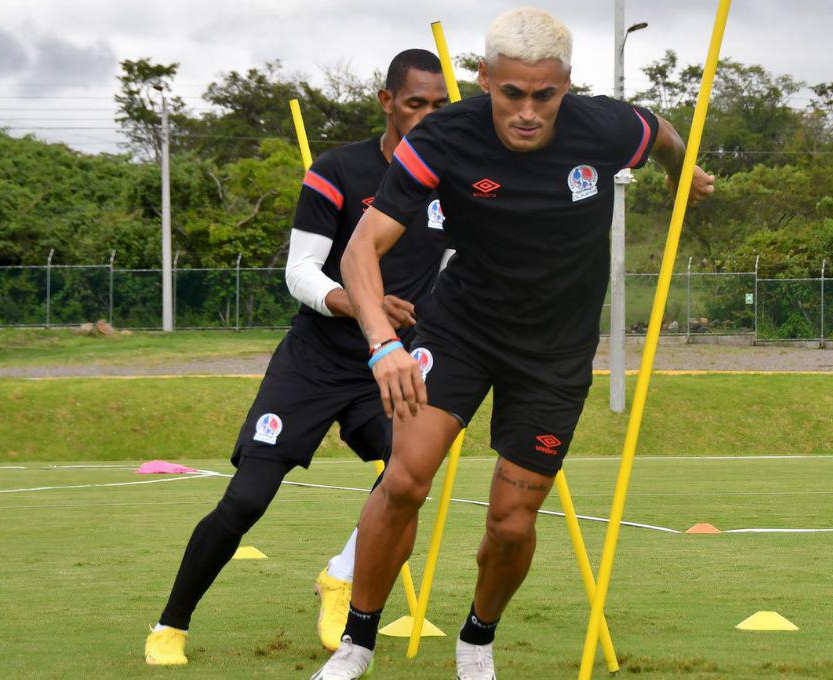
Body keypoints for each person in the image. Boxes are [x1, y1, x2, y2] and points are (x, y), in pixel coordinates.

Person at [311, 8, 715, 680]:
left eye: (544, 95)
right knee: (405, 478)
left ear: (567, 86)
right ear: (484, 80)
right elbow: (360, 249)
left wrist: (682, 170)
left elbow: (664, 133)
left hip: (554, 354)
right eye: (511, 93)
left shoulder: (606, 126)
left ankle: (476, 640)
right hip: (462, 328)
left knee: (512, 523)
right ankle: (357, 643)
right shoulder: (443, 136)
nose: (527, 112)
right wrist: (382, 344)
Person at [144, 48, 451, 665]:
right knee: (247, 499)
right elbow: (300, 272)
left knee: (408, 474)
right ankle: (170, 624)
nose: (428, 116)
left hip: (388, 365)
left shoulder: (455, 182)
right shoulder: (338, 170)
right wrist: (364, 306)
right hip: (314, 361)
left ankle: (341, 575)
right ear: (387, 102)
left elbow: (449, 272)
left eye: (440, 106)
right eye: (416, 103)